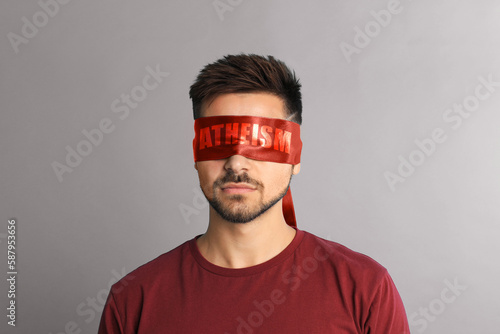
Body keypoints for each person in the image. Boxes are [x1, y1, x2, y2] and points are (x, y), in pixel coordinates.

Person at [98, 54, 410, 333]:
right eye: (217, 141)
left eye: (262, 143)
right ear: (197, 155)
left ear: (294, 157)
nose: (236, 162)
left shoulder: (366, 290)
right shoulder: (132, 301)